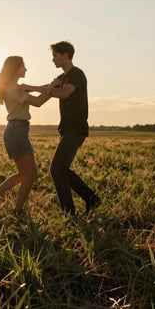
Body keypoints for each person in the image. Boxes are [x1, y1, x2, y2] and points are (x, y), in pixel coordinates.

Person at [0, 56, 56, 217]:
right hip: (17, 131)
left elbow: (40, 89)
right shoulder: (15, 89)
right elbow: (38, 102)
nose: (26, 69)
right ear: (16, 69)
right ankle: (18, 211)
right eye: (24, 66)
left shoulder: (14, 87)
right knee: (31, 174)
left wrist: (51, 86)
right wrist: (54, 86)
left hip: (15, 130)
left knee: (23, 173)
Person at [48, 41, 100, 216]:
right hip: (66, 130)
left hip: (76, 129)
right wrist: (27, 89)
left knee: (57, 170)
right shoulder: (62, 78)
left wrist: (47, 90)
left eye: (55, 55)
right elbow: (46, 89)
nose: (53, 59)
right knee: (60, 169)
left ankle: (69, 212)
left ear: (65, 55)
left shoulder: (76, 74)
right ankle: (91, 199)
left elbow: (64, 93)